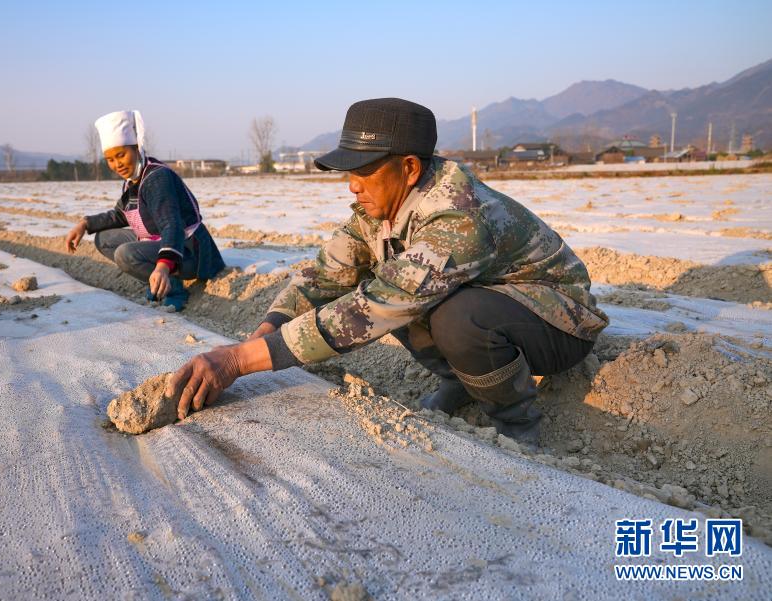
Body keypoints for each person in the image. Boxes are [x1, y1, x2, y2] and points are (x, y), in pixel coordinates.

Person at [160, 98, 608, 445]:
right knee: (409, 290)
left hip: (557, 321)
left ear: (409, 168)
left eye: (363, 171)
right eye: (348, 172)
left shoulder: (459, 215)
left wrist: (238, 361)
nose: (352, 185)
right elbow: (323, 276)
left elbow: (374, 308)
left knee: (446, 313)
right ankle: (465, 382)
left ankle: (516, 420)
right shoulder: (379, 208)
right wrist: (260, 336)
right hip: (497, 303)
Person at [64, 110, 224, 310]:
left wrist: (163, 266)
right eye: (110, 159)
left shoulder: (156, 178)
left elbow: (171, 225)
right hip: (160, 242)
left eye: (121, 155)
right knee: (103, 239)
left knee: (125, 254)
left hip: (190, 250)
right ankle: (158, 279)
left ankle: (172, 287)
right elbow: (121, 214)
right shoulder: (133, 178)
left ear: (137, 148)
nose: (116, 164)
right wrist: (85, 224)